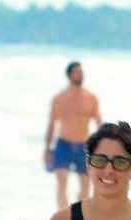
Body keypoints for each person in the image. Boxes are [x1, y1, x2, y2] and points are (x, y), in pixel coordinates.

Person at [45, 61, 102, 209]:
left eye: (81, 71)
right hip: (63, 144)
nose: (80, 74)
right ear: (69, 75)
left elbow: (99, 124)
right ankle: (63, 216)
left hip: (84, 146)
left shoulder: (91, 98)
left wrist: (102, 148)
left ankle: (78, 217)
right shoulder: (59, 98)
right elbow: (52, 124)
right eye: (77, 72)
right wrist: (47, 149)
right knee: (62, 181)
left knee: (85, 187)